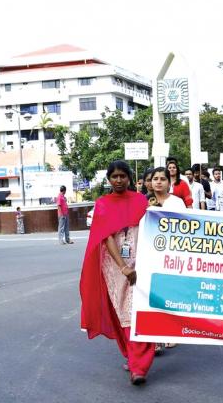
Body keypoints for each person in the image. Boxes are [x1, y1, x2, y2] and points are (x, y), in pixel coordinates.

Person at [80, 160, 155, 385]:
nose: (119, 180)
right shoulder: (103, 203)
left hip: (142, 259)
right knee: (122, 309)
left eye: (123, 176)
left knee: (139, 309)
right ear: (109, 180)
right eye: (115, 177)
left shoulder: (141, 200)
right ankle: (132, 356)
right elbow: (107, 237)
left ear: (130, 178)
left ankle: (138, 367)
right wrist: (123, 267)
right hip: (114, 265)